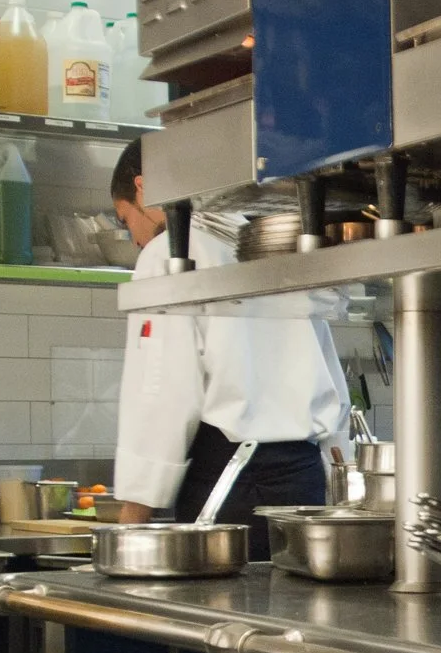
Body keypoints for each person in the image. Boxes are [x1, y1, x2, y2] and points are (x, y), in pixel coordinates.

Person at [110, 143, 349, 558]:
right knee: (294, 616)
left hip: (233, 485)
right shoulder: (268, 244)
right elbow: (329, 369)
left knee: (228, 618)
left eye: (125, 219)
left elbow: (164, 392)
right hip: (306, 482)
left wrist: (134, 511)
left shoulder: (171, 254)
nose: (133, 237)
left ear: (144, 188)